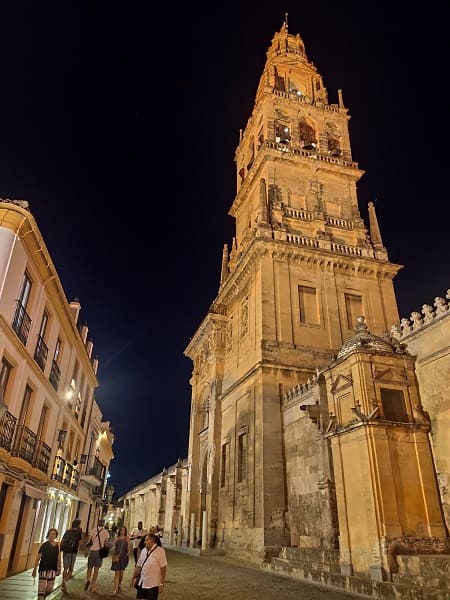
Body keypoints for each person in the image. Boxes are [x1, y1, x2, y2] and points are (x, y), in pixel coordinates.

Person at [131, 533, 167, 599]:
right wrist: (132, 578)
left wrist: (161, 583)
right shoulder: (144, 551)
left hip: (153, 583)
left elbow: (163, 568)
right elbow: (138, 566)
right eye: (145, 540)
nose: (145, 542)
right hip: (142, 581)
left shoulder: (160, 551)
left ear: (152, 541)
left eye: (146, 540)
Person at [32, 528, 61, 600]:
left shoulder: (58, 545)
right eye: (50, 534)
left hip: (52, 569)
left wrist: (59, 568)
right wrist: (34, 570)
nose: (51, 535)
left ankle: (45, 597)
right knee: (41, 589)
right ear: (48, 535)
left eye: (53, 534)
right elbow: (38, 558)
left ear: (56, 536)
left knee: (49, 589)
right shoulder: (44, 545)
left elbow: (58, 557)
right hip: (43, 569)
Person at [84, 518, 110, 592]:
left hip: (92, 551)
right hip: (100, 552)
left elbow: (89, 541)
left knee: (89, 567)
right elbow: (106, 543)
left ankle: (88, 579)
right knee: (96, 569)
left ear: (98, 523)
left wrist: (86, 551)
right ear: (103, 524)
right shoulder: (106, 532)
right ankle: (92, 585)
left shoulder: (93, 530)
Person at [60, 518, 83, 592]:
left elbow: (62, 541)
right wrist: (78, 549)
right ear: (78, 525)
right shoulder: (79, 533)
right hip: (73, 552)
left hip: (66, 551)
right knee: (71, 568)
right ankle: (65, 581)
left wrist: (60, 549)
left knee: (65, 568)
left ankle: (64, 582)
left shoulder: (67, 531)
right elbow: (79, 543)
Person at [110, 525, 131, 595]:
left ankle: (119, 584)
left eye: (124, 530)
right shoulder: (117, 538)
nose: (122, 531)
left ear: (125, 531)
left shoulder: (126, 538)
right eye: (121, 530)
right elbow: (113, 547)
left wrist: (128, 552)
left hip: (123, 558)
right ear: (119, 531)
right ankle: (115, 589)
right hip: (117, 557)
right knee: (117, 573)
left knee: (121, 573)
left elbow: (128, 548)